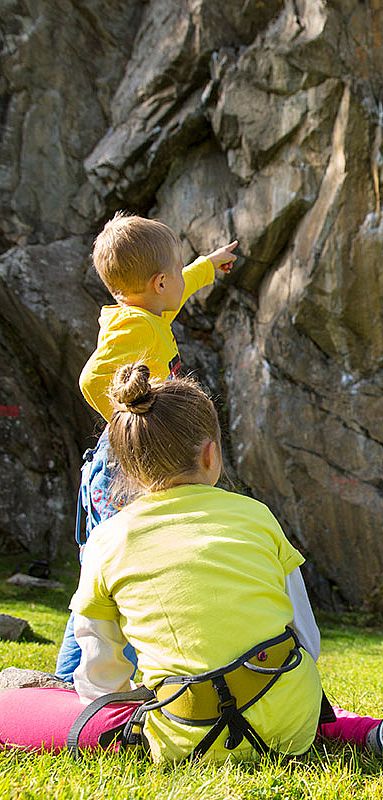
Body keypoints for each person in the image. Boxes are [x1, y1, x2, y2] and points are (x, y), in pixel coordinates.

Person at [0, 365, 383, 761]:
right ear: (211, 454)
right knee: (285, 696)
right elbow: (307, 641)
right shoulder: (257, 516)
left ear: (128, 467)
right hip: (291, 724)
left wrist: (114, 702)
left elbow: (100, 671)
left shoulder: (107, 539)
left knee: (25, 708)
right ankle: (360, 730)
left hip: (183, 733)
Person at [55, 212, 239, 682]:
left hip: (132, 463)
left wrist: (206, 265)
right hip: (123, 467)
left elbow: (181, 286)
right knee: (116, 570)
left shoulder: (149, 311)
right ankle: (76, 677)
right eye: (177, 273)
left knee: (112, 568)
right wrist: (130, 422)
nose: (182, 279)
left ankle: (84, 674)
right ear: (159, 283)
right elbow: (92, 379)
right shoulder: (135, 328)